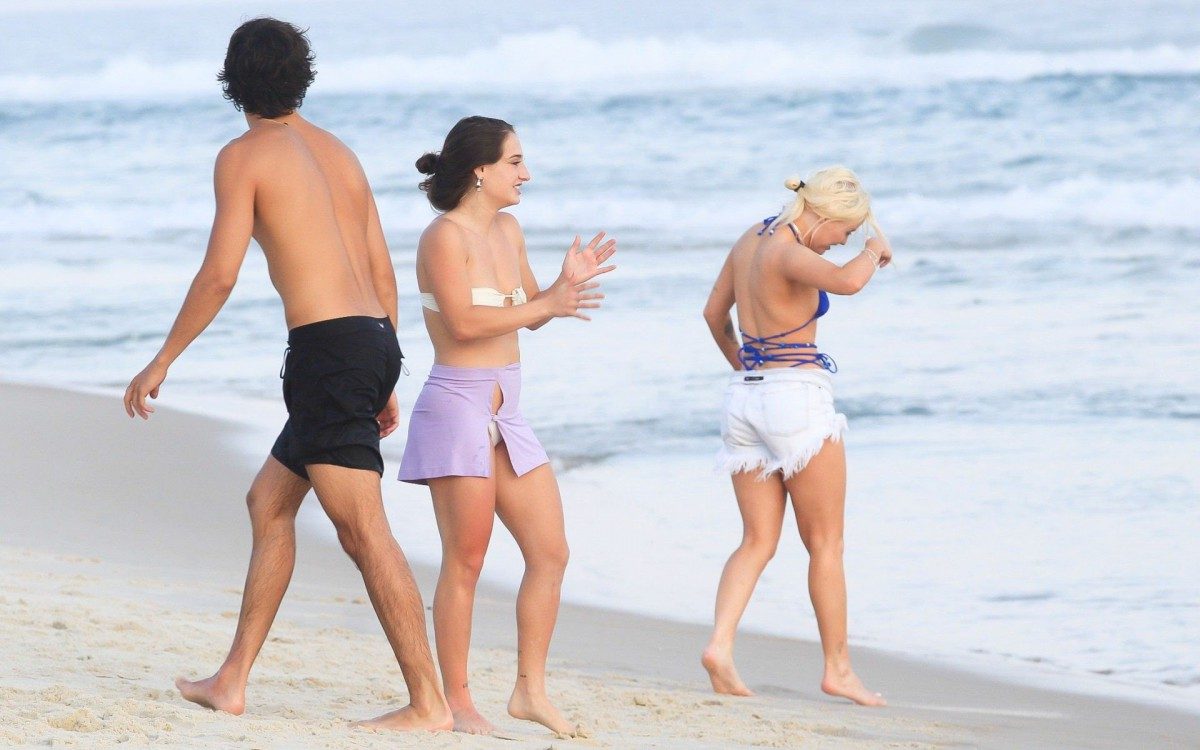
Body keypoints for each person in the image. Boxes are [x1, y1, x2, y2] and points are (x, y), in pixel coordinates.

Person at [122, 18, 451, 731]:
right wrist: (385, 368)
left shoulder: (244, 157)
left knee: (364, 531)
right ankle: (231, 680)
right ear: (302, 74)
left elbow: (219, 274)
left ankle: (430, 704)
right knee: (269, 503)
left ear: (232, 78)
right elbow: (380, 270)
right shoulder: (339, 153)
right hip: (367, 342)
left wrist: (163, 357)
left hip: (330, 355)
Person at [398, 116, 615, 735]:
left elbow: (529, 315)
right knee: (465, 560)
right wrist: (545, 303)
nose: (526, 173)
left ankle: (529, 691)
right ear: (480, 170)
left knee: (550, 552)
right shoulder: (442, 238)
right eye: (515, 161)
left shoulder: (509, 228)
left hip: (506, 411)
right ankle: (459, 702)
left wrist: (562, 287)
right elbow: (464, 325)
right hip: (457, 406)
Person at [700, 166, 891, 707]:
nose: (839, 246)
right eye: (842, 233)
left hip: (744, 397)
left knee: (757, 540)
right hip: (795, 399)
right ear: (824, 215)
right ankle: (839, 669)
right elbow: (850, 282)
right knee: (825, 544)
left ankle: (719, 645)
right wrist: (874, 251)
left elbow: (714, 312)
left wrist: (745, 364)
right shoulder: (789, 251)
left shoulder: (750, 239)